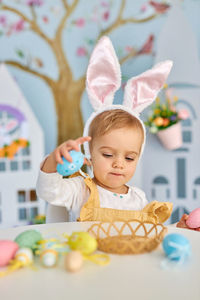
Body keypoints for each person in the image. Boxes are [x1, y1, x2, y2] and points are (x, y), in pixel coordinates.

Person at [36, 36, 173, 223]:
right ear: (89, 153)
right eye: (108, 155)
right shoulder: (79, 190)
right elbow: (48, 192)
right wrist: (54, 160)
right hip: (88, 253)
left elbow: (148, 234)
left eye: (129, 158)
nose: (119, 164)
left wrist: (179, 227)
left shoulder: (139, 199)